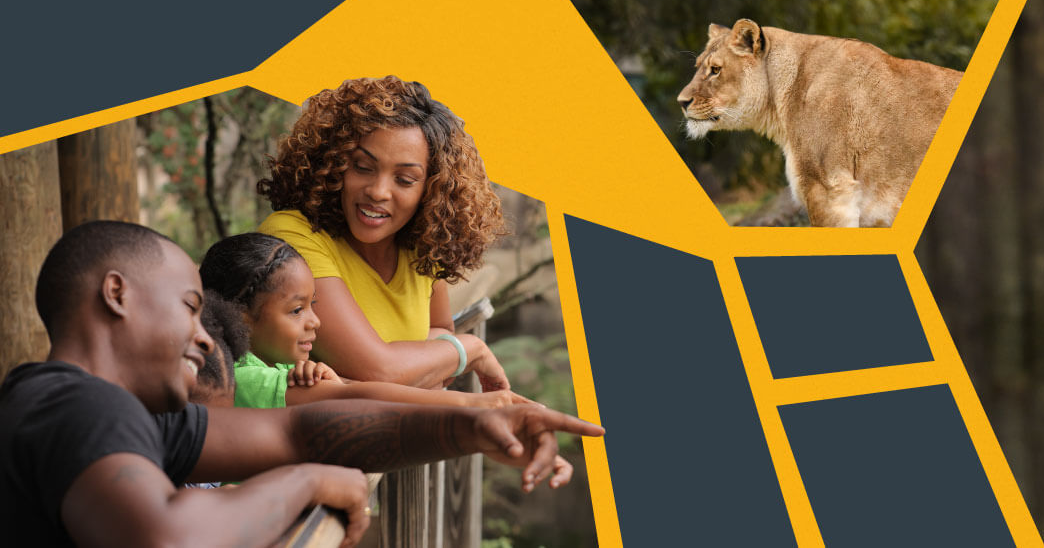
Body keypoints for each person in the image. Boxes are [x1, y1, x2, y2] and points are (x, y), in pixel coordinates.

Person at [0, 221, 604, 547]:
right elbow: (164, 536)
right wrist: (307, 480)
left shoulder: (134, 420)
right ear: (116, 294)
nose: (207, 336)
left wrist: (471, 424)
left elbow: (298, 427)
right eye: (188, 306)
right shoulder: (72, 401)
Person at [198, 232, 574, 486]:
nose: (315, 321)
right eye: (296, 310)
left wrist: (328, 378)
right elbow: (354, 398)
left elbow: (343, 390)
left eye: (313, 304)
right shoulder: (241, 382)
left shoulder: (271, 368)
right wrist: (477, 406)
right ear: (241, 317)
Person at [258, 76, 507, 390]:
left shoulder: (419, 246)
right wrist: (471, 349)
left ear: (431, 190)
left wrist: (422, 362)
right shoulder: (294, 237)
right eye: (363, 167)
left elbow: (441, 337)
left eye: (404, 179)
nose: (378, 192)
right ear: (335, 164)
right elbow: (381, 372)